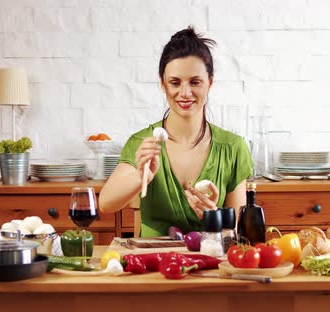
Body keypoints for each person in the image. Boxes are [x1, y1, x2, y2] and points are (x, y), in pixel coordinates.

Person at [98, 26, 253, 237]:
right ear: (163, 84)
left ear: (210, 82)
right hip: (152, 263)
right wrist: (141, 176)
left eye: (195, 82)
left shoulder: (233, 147)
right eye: (175, 82)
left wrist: (214, 219)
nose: (185, 93)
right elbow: (105, 204)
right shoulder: (143, 142)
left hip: (211, 263)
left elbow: (237, 234)